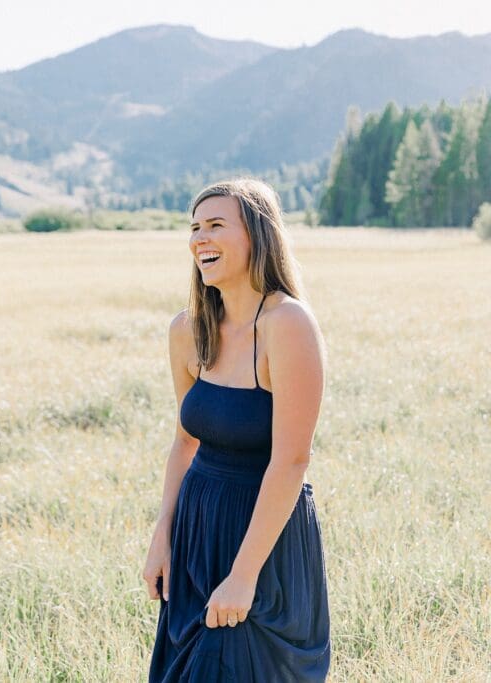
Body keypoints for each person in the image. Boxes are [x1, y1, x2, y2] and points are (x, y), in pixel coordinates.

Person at [143, 178, 330, 681]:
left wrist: (243, 577)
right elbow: (186, 441)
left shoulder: (287, 324)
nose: (200, 238)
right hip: (196, 531)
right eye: (195, 228)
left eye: (217, 225)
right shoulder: (187, 329)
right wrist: (163, 534)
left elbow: (291, 460)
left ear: (257, 236)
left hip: (261, 539)